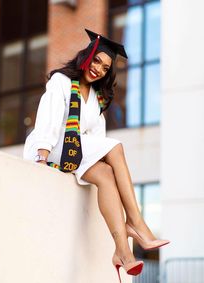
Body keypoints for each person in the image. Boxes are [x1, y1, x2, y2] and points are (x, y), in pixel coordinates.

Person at [23, 28, 170, 282]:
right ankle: (136, 222)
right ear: (86, 56)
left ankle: (122, 253)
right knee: (116, 147)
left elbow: (96, 140)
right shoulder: (61, 81)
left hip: (74, 151)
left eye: (105, 68)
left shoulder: (96, 98)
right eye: (97, 61)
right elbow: (47, 121)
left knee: (106, 172)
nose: (98, 70)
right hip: (50, 146)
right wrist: (42, 158)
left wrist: (103, 163)